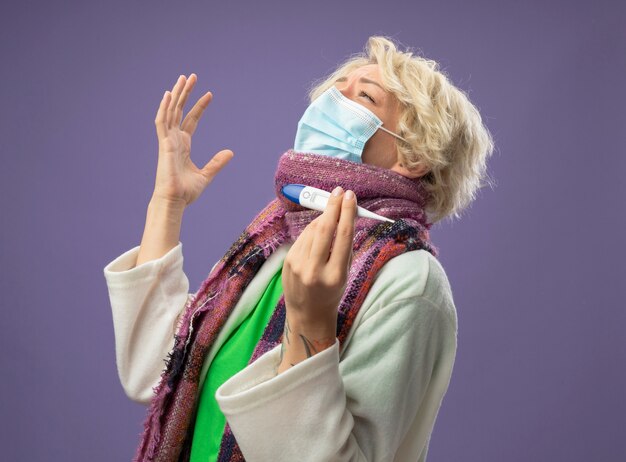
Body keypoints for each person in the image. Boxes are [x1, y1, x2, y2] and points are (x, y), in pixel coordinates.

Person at [104, 36, 494, 462]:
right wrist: (167, 201)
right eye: (336, 87)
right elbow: (157, 371)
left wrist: (310, 325)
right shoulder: (282, 242)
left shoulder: (411, 282)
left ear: (413, 155)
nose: (332, 98)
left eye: (363, 95)